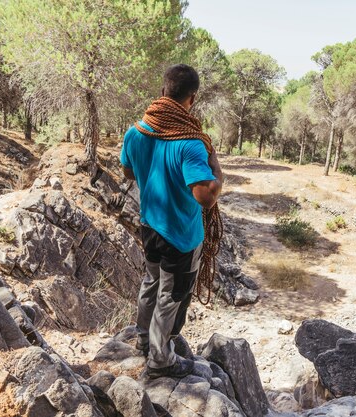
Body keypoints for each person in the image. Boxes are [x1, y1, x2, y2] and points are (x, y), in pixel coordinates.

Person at [120, 64, 223, 379]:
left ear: (164, 91)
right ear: (191, 99)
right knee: (172, 294)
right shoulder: (191, 143)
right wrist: (217, 167)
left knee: (151, 282)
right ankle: (161, 359)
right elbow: (205, 195)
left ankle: (142, 337)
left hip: (149, 226)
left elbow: (127, 172)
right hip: (180, 235)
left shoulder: (137, 132)